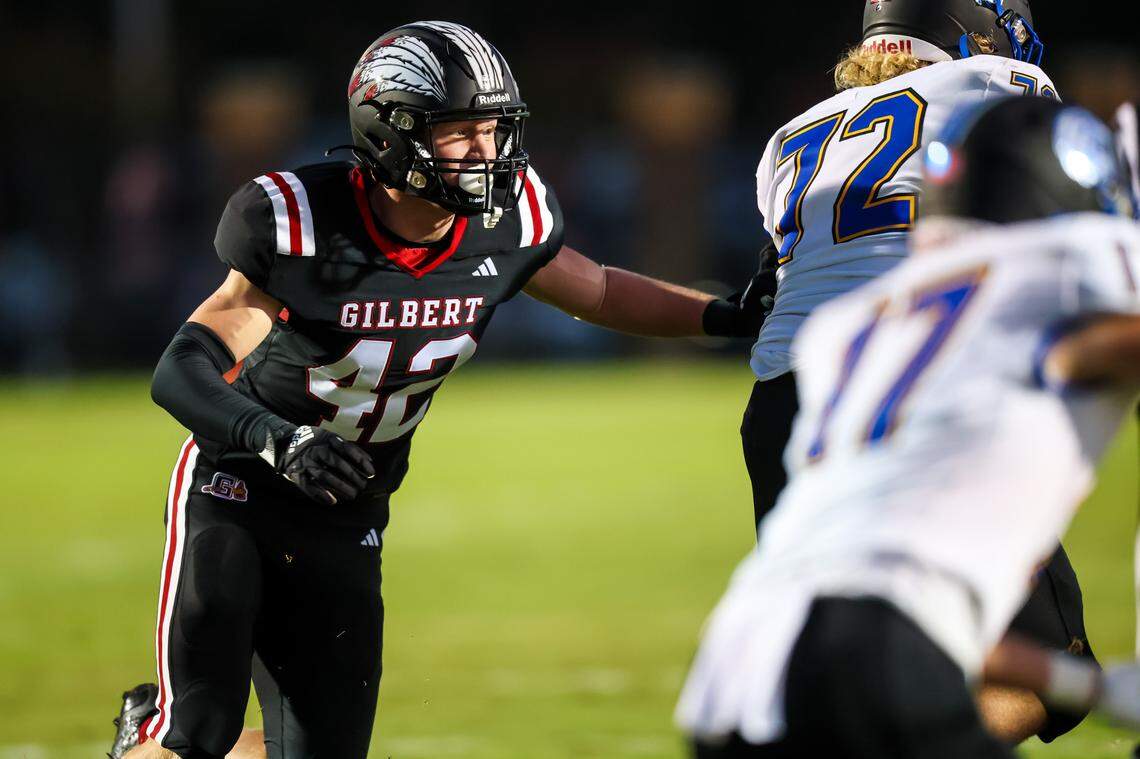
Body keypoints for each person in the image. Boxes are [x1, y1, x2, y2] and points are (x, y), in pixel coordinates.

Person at [108, 20, 769, 759]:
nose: (487, 151)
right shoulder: (301, 222)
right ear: (388, 134)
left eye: (494, 128)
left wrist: (721, 315)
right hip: (241, 491)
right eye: (460, 131)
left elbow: (602, 289)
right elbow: (181, 369)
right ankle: (152, 735)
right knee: (197, 727)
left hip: (348, 514)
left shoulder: (506, 221)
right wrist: (278, 438)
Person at [677, 95, 1140, 758]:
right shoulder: (1067, 263)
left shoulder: (855, 323)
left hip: (736, 669)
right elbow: (1086, 349)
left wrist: (1083, 686)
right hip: (877, 653)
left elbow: (886, 592)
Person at [736, 0, 1096, 742]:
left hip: (783, 410)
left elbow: (776, 286)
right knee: (1052, 675)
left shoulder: (788, 137)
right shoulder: (996, 80)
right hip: (917, 395)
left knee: (859, 665)